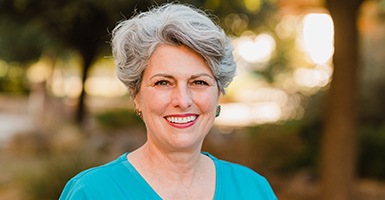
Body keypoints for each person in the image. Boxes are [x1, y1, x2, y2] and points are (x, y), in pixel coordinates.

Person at [60, 3, 277, 200]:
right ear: (135, 95)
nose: (182, 101)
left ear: (218, 92)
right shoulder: (91, 192)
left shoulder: (254, 189)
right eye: (163, 82)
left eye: (199, 82)